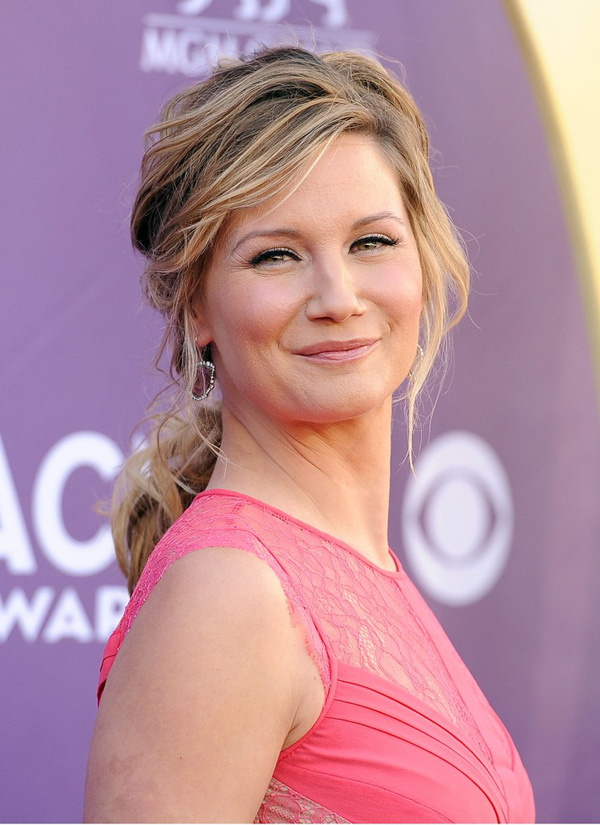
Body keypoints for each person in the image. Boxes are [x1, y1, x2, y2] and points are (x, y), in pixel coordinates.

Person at [83, 47, 535, 823]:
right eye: (277, 255)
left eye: (371, 242)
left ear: (422, 260)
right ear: (197, 306)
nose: (338, 296)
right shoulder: (228, 596)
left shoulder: (368, 573)